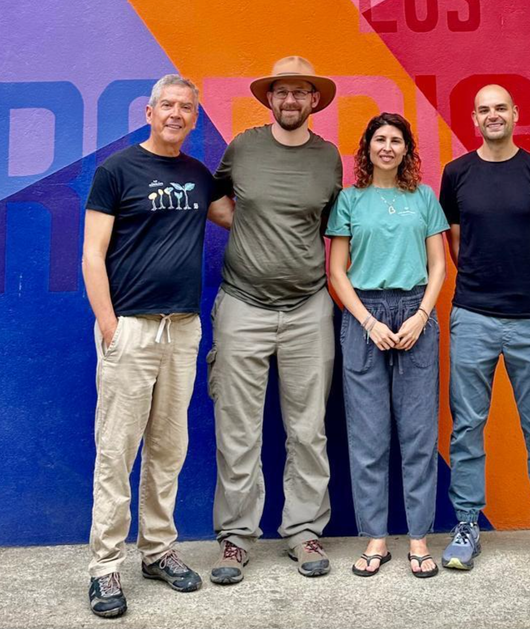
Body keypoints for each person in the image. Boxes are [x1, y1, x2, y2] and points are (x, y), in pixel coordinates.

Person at [82, 74, 218, 618]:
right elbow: (94, 254)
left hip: (182, 328)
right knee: (117, 450)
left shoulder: (198, 175)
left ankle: (158, 551)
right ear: (149, 110)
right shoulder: (116, 171)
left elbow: (245, 217)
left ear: (194, 116)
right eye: (168, 105)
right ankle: (104, 568)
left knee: (168, 449)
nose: (177, 114)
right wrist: (110, 325)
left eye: (187, 108)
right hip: (132, 329)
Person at [206, 56, 342, 583]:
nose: (290, 101)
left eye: (300, 92)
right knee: (237, 429)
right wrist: (245, 229)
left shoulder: (328, 158)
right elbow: (216, 197)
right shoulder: (243, 146)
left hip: (309, 306)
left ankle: (304, 532)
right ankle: (236, 539)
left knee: (308, 430)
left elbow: (329, 225)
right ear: (270, 100)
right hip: (242, 304)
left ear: (314, 101)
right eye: (281, 92)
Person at [439, 84, 530, 573]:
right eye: (483, 109)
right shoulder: (456, 174)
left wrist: (522, 281)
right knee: (467, 428)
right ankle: (465, 525)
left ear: (515, 114)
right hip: (473, 317)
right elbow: (457, 244)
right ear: (474, 119)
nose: (492, 115)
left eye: (500, 107)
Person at [327, 113, 448, 578]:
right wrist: (367, 322)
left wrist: (421, 316)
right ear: (367, 148)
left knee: (418, 433)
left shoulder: (423, 198)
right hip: (364, 316)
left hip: (416, 310)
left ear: (407, 150)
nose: (387, 147)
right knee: (368, 435)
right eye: (380, 139)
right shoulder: (350, 200)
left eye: (396, 140)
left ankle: (418, 538)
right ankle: (377, 538)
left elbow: (438, 265)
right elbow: (337, 271)